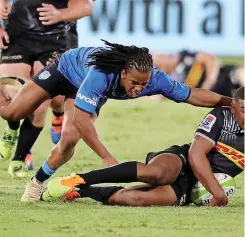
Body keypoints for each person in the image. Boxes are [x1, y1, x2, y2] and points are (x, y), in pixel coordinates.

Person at [0, 40, 232, 202]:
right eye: (134, 83)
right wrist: (105, 156)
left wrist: (231, 102)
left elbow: (192, 95)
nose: (138, 89)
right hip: (65, 70)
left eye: (144, 84)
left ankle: (37, 182)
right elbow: (82, 119)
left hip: (84, 91)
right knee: (11, 113)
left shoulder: (155, 80)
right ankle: (12, 125)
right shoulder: (102, 73)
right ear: (122, 73)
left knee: (69, 139)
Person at [43, 87, 244, 207]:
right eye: (243, 109)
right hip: (182, 160)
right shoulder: (221, 116)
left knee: (133, 198)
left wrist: (213, 191)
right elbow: (196, 154)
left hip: (194, 187)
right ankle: (77, 180)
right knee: (158, 173)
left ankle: (82, 192)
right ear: (232, 107)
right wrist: (217, 192)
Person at [0, 0, 94, 174]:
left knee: (51, 100)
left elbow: (86, 6)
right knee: (11, 94)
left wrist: (60, 14)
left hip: (57, 40)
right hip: (18, 36)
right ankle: (15, 136)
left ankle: (58, 114)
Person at [151, 50, 244, 100]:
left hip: (227, 77)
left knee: (241, 73)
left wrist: (209, 83)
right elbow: (158, 97)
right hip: (223, 95)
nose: (166, 57)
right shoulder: (169, 81)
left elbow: (211, 59)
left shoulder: (184, 56)